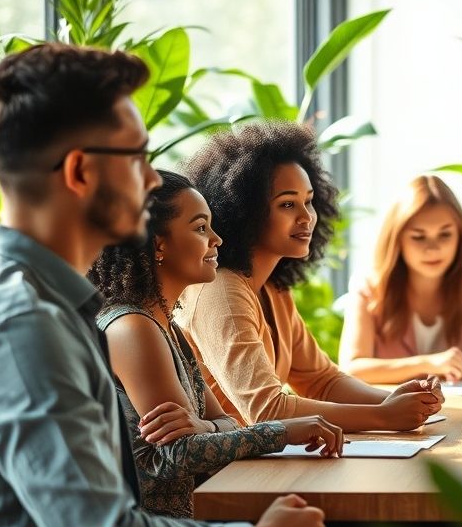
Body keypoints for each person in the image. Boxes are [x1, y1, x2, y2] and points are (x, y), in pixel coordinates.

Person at [0, 44, 326, 527]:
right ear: (81, 171)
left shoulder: (57, 306)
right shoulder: (24, 323)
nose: (149, 180)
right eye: (138, 157)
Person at [88, 171, 344, 519]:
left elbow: (224, 424)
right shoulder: (132, 327)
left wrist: (205, 427)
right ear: (158, 243)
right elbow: (174, 456)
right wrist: (282, 432)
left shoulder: (165, 325)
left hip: (193, 525)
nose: (217, 239)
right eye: (200, 227)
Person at [177, 122, 444, 430]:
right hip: (229, 474)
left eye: (309, 201)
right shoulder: (220, 290)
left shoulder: (273, 287)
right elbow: (266, 412)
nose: (307, 216)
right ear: (244, 210)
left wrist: (399, 399)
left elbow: (322, 380)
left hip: (265, 463)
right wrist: (385, 415)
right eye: (288, 204)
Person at [338, 174, 462, 383]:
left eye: (445, 234)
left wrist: (451, 370)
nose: (433, 248)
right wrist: (429, 364)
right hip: (393, 413)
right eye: (418, 237)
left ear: (460, 236)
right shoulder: (369, 286)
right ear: (397, 240)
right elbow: (351, 368)